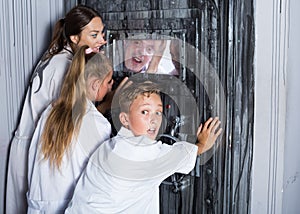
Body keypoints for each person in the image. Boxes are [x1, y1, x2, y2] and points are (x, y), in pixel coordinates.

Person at [6, 5, 106, 214]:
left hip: (35, 146)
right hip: (36, 151)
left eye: (102, 33)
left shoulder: (57, 56)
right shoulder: (64, 66)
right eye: (94, 34)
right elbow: (67, 117)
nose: (102, 40)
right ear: (74, 38)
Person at [65, 81, 222, 213]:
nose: (153, 120)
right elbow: (184, 155)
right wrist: (201, 144)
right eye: (145, 112)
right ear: (124, 119)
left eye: (158, 112)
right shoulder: (141, 151)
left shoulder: (109, 146)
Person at [27, 45, 115, 213]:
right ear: (96, 84)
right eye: (109, 82)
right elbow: (99, 178)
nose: (110, 88)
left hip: (39, 205)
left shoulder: (49, 112)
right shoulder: (100, 125)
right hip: (70, 207)